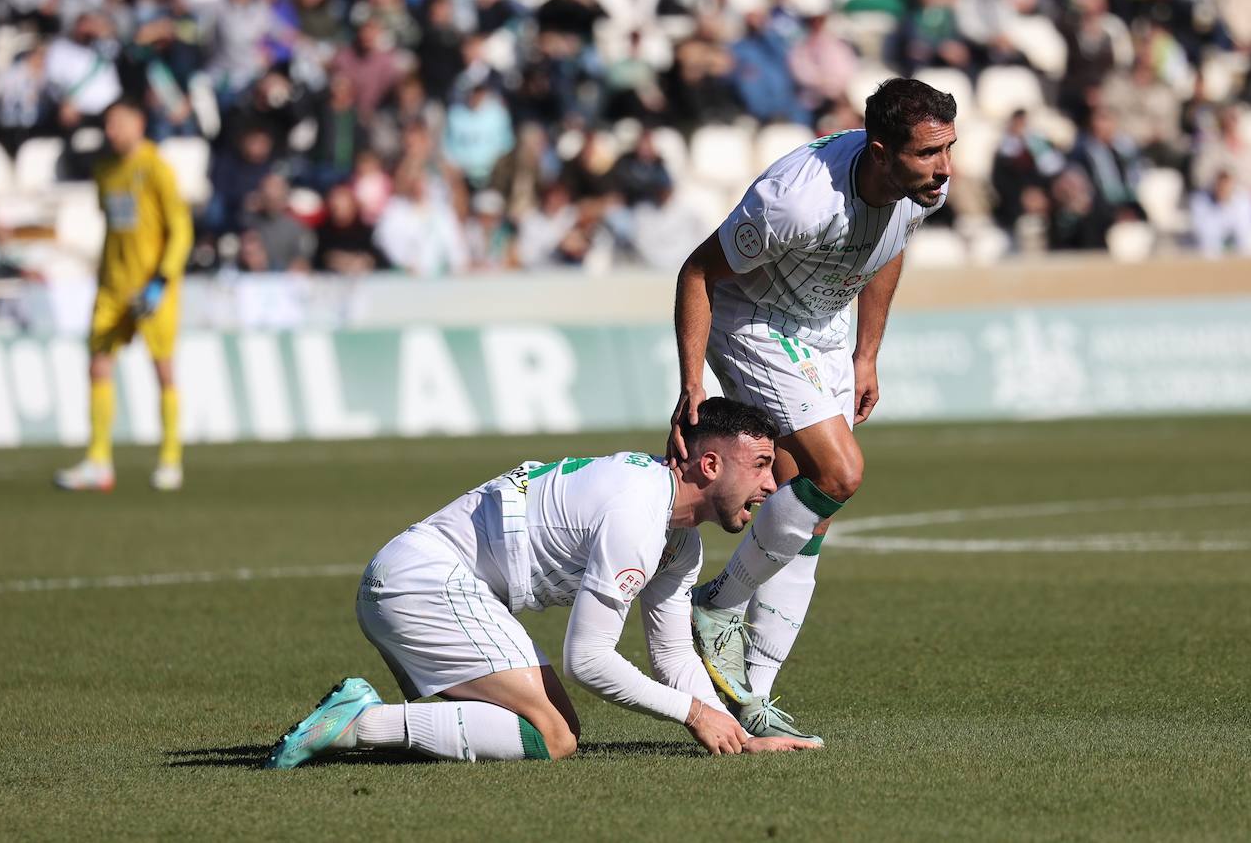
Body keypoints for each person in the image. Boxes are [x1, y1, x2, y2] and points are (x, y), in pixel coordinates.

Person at [264, 398, 812, 767]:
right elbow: (587, 660)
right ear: (710, 465)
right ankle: (361, 721)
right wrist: (693, 713)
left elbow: (671, 653)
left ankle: (363, 723)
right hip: (426, 584)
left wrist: (737, 735)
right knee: (553, 735)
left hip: (418, 582)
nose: (772, 484)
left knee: (519, 729)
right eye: (762, 465)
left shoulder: (679, 540)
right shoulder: (637, 513)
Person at [666, 78, 956, 745]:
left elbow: (890, 246)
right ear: (880, 152)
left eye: (949, 148)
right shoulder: (795, 202)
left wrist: (867, 354)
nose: (944, 168)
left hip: (823, 331)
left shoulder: (922, 187)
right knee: (841, 473)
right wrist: (691, 385)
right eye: (928, 153)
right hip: (755, 322)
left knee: (807, 513)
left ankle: (752, 695)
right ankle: (717, 604)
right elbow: (697, 273)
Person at [53, 98, 193, 493]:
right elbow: (115, 227)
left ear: (139, 123)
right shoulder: (105, 170)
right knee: (98, 365)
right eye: (108, 124)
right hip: (113, 286)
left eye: (119, 123)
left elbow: (181, 229)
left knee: (162, 369)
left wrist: (162, 278)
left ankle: (170, 459)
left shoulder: (156, 167)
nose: (111, 131)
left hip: (153, 287)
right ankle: (98, 461)